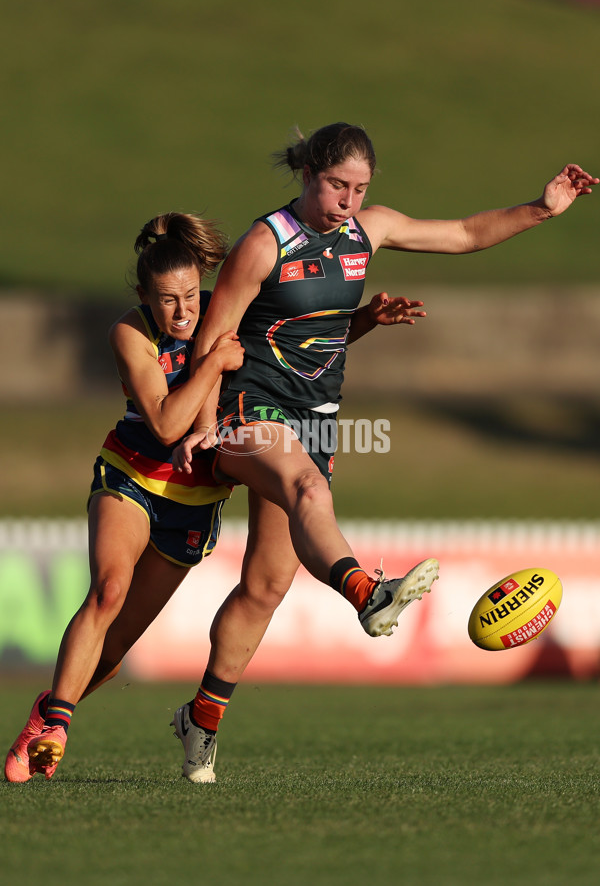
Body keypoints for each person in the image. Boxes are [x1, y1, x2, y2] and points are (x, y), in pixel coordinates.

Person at [168, 122, 597, 784]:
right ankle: (370, 591)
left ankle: (202, 718)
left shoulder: (368, 231)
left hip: (316, 417)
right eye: (338, 185)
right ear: (309, 174)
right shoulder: (265, 243)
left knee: (267, 584)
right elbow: (212, 338)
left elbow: (462, 235)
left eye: (360, 188)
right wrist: (201, 423)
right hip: (245, 410)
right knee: (310, 489)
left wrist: (542, 209)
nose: (348, 200)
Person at [4, 212, 245, 783]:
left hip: (195, 499)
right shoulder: (130, 333)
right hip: (132, 474)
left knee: (114, 649)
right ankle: (59, 728)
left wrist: (364, 320)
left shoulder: (223, 311)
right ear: (143, 296)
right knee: (108, 590)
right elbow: (165, 425)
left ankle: (43, 716)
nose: (183, 311)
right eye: (167, 300)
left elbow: (301, 343)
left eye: (190, 295)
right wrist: (212, 364)